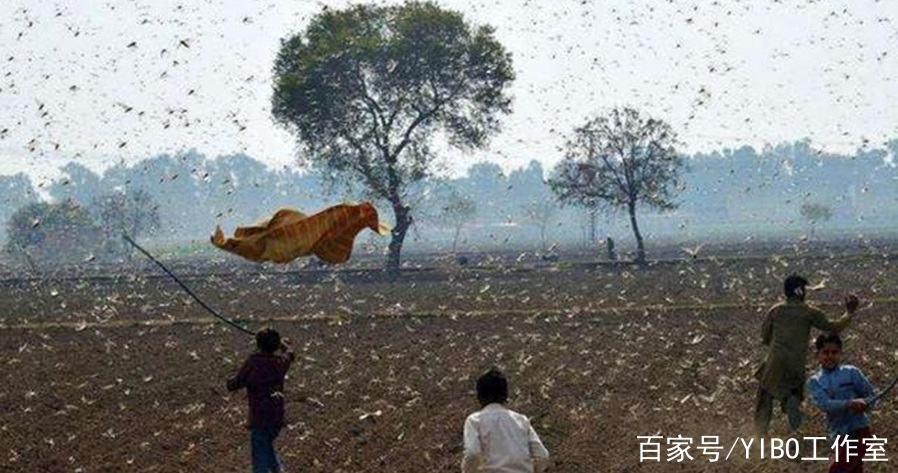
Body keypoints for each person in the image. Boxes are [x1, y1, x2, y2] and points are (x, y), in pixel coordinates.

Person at [754, 274, 859, 436]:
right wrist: (849, 313)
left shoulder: (775, 311)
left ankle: (759, 435)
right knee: (792, 395)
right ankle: (796, 430)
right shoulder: (809, 312)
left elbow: (765, 337)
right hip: (795, 363)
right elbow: (833, 327)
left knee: (765, 395)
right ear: (801, 291)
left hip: (774, 362)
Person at [227, 328, 295, 473]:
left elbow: (236, 383)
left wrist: (230, 382)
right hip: (276, 416)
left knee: (260, 457)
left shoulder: (253, 362)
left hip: (259, 418)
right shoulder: (279, 363)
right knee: (267, 447)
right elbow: (290, 354)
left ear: (258, 344)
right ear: (276, 346)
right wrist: (285, 345)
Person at [807, 332, 876, 473]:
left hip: (859, 430)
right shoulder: (815, 381)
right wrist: (849, 404)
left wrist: (866, 404)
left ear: (840, 353)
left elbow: (871, 395)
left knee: (840, 468)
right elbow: (825, 404)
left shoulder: (851, 372)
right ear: (818, 355)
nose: (830, 356)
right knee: (852, 468)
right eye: (825, 352)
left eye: (834, 352)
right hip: (839, 434)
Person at [462, 368, 550, 473]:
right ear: (505, 395)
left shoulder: (474, 421)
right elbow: (542, 455)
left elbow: (472, 453)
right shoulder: (521, 420)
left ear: (479, 396)